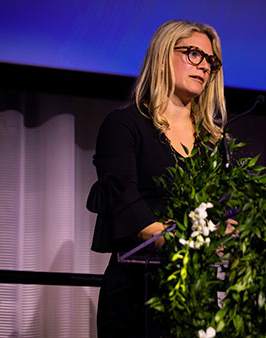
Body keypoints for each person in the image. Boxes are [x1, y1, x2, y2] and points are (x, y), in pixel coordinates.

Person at [86, 20, 227, 338]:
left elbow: (218, 209)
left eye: (210, 60)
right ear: (164, 55)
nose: (203, 65)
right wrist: (183, 242)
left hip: (195, 293)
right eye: (193, 53)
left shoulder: (212, 142)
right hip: (138, 295)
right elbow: (125, 202)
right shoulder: (124, 126)